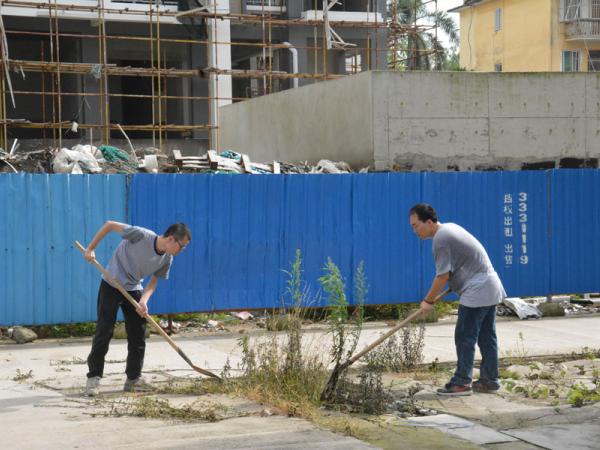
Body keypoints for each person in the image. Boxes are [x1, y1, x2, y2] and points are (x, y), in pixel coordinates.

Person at [83, 221, 191, 396]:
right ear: (172, 239)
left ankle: (133, 379)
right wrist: (90, 248)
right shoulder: (141, 235)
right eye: (182, 246)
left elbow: (153, 283)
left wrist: (144, 301)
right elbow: (109, 225)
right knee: (104, 330)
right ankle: (93, 377)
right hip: (111, 282)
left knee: (138, 335)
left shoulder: (167, 259)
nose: (182, 250)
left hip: (134, 288)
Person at [409, 204, 506, 396]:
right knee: (487, 337)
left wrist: (428, 301)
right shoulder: (450, 228)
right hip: (490, 285)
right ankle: (489, 380)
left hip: (477, 289)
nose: (414, 230)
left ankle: (462, 382)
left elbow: (442, 275)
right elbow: (455, 268)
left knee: (464, 336)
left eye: (415, 225)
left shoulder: (441, 238)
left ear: (429, 222)